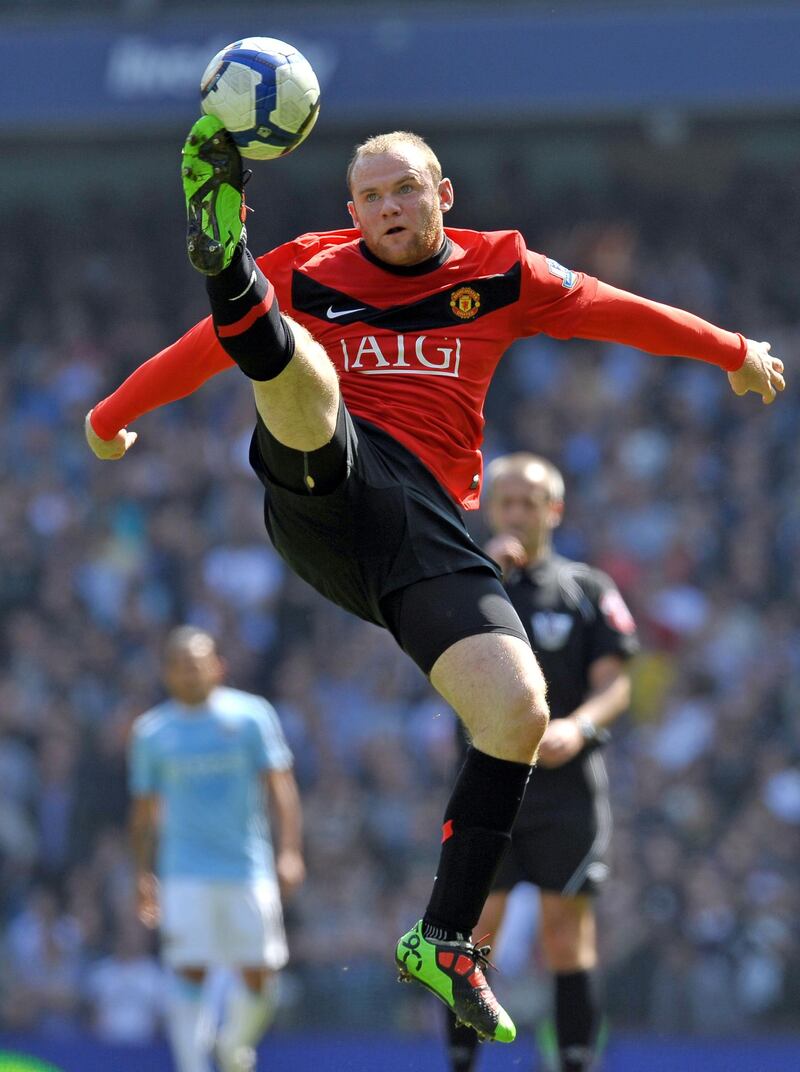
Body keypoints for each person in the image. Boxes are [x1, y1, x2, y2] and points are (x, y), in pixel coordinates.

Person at [85, 118, 784, 1043]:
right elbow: (204, 350)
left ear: (441, 194)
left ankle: (446, 935)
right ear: (351, 211)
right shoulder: (314, 267)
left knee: (518, 710)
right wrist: (112, 413)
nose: (387, 209)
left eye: (404, 190)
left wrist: (731, 350)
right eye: (370, 197)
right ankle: (224, 256)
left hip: (422, 533)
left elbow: (617, 309)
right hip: (327, 489)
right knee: (297, 372)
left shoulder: (503, 271)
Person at [444, 453, 639, 1072]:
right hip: (489, 783)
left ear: (553, 511)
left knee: (565, 932)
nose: (518, 512)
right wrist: (485, 580)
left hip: (565, 790)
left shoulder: (588, 589)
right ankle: (459, 1063)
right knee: (473, 937)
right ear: (490, 507)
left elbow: (616, 684)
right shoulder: (460, 579)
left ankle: (576, 1064)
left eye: (531, 502)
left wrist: (579, 727)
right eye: (507, 501)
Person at [129, 625, 304, 1072]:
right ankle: (193, 1067)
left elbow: (281, 787)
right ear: (167, 673)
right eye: (180, 666)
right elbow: (144, 812)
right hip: (184, 871)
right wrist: (143, 875)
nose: (190, 673)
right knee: (190, 969)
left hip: (247, 866)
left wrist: (289, 851)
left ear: (217, 666)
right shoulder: (152, 732)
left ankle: (233, 1048)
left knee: (261, 974)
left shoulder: (251, 716)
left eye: (197, 663)